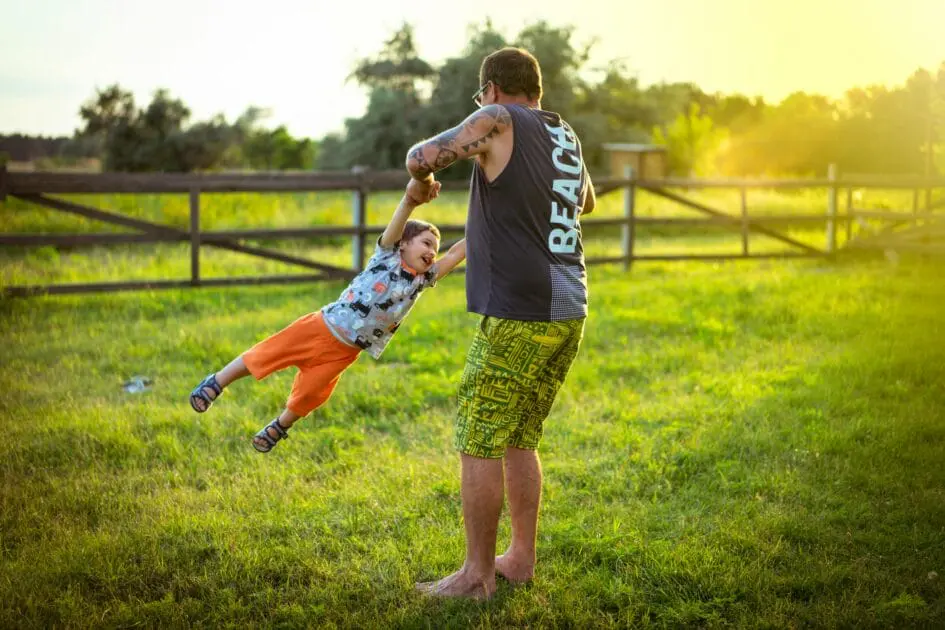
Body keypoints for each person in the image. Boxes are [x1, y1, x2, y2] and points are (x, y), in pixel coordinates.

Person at [405, 47, 596, 598]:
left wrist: (423, 178)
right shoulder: (566, 135)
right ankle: (520, 559)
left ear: (490, 88)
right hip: (569, 306)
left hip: (519, 306)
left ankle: (476, 577)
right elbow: (584, 202)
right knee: (520, 433)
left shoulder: (497, 120)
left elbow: (424, 155)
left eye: (479, 97)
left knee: (479, 434)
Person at [188, 178, 466, 453]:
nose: (432, 251)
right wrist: (410, 200)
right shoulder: (386, 256)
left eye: (434, 248)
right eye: (426, 243)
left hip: (345, 351)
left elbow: (455, 254)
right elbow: (399, 220)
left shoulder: (422, 280)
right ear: (404, 244)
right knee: (266, 354)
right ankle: (216, 382)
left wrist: (486, 221)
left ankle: (280, 426)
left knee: (312, 394)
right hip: (321, 326)